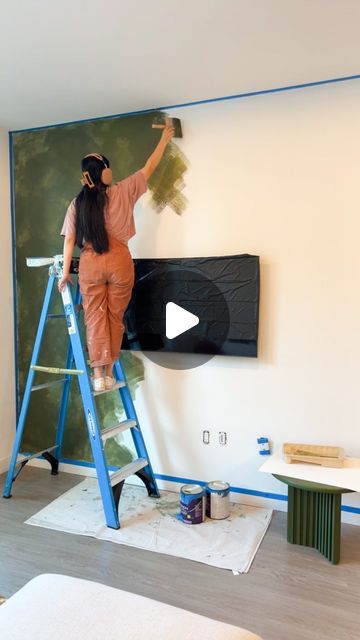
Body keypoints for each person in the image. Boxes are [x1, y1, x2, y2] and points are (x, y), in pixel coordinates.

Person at [58, 122, 175, 392]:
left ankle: (98, 374)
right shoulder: (124, 190)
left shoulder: (78, 203)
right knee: (115, 317)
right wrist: (164, 139)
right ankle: (109, 372)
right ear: (106, 173)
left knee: (95, 317)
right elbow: (150, 166)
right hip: (120, 261)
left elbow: (70, 240)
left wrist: (66, 273)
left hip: (91, 263)